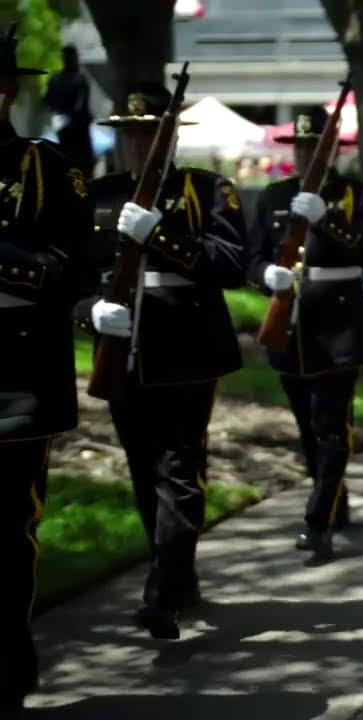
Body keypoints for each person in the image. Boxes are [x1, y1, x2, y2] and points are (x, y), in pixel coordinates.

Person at [79, 82, 247, 640]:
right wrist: (90, 312)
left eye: (150, 131)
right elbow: (75, 275)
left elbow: (230, 263)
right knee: (142, 469)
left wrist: (163, 234)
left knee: (179, 472)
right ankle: (178, 574)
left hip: (187, 349)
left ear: (172, 135)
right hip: (123, 350)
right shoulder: (100, 194)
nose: (140, 143)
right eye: (131, 133)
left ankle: (160, 593)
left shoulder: (205, 190)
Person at [0, 25, 92, 714]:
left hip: (16, 378)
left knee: (7, 530)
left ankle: (8, 651)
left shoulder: (49, 167)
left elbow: (72, 268)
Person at [248, 109, 363, 563]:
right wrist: (268, 275)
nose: (308, 154)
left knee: (331, 427)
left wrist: (328, 218)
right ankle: (335, 499)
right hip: (289, 323)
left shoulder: (354, 193)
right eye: (302, 146)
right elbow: (253, 256)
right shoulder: (274, 196)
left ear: (333, 152)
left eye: (317, 147)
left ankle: (318, 519)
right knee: (308, 428)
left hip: (338, 323)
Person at [42, 45, 93, 173]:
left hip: (67, 129)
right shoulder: (78, 79)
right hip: (76, 131)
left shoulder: (56, 79)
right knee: (79, 165)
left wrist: (56, 118)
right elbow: (80, 106)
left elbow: (47, 103)